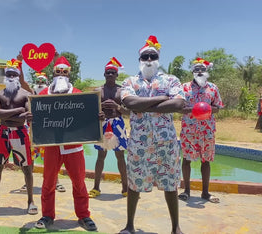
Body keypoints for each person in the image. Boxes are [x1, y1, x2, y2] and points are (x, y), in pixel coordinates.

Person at [120, 35, 185, 234]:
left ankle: (175, 228)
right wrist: (161, 99)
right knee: (133, 184)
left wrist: (142, 104)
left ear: (158, 58)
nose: (149, 60)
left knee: (171, 184)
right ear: (139, 60)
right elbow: (129, 103)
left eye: (152, 56)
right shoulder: (130, 81)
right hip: (139, 142)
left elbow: (178, 104)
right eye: (145, 57)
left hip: (166, 142)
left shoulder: (171, 79)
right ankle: (129, 225)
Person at [33, 56, 98, 231]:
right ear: (53, 73)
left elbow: (87, 118)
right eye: (58, 71)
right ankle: (47, 215)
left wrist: (96, 117)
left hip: (74, 147)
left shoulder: (78, 94)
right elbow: (37, 119)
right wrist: (32, 118)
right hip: (52, 147)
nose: (61, 74)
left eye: (64, 72)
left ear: (69, 74)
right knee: (48, 183)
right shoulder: (42, 95)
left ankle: (84, 215)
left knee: (79, 182)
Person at [0, 58, 38, 215]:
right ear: (5, 75)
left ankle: (30, 201)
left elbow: (25, 118)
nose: (11, 76)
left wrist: (7, 115)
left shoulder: (26, 94)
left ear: (19, 76)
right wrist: (17, 111)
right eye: (8, 74)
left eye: (14, 74)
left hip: (20, 133)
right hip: (2, 132)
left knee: (27, 168)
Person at [178, 58, 224, 203]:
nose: (199, 71)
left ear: (206, 71)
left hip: (207, 130)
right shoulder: (184, 88)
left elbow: (218, 107)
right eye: (196, 69)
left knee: (206, 161)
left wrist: (207, 109)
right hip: (189, 129)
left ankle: (205, 193)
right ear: (192, 71)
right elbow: (178, 107)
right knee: (186, 160)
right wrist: (194, 109)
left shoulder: (213, 88)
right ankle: (186, 191)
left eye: (202, 69)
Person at [19, 71, 66, 193]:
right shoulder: (32, 93)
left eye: (42, 81)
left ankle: (56, 182)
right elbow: (23, 83)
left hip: (48, 130)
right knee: (31, 158)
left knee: (51, 157)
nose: (40, 84)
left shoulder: (52, 93)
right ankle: (27, 183)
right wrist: (19, 64)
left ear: (47, 82)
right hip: (33, 130)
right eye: (38, 81)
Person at [89, 57, 128, 198]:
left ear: (117, 75)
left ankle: (125, 188)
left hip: (118, 124)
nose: (110, 75)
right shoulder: (98, 91)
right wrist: (98, 112)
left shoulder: (122, 91)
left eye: (113, 72)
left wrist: (117, 107)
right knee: (100, 156)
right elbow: (89, 109)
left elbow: (128, 111)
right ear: (104, 75)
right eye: (108, 72)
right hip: (103, 124)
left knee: (120, 157)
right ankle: (96, 188)